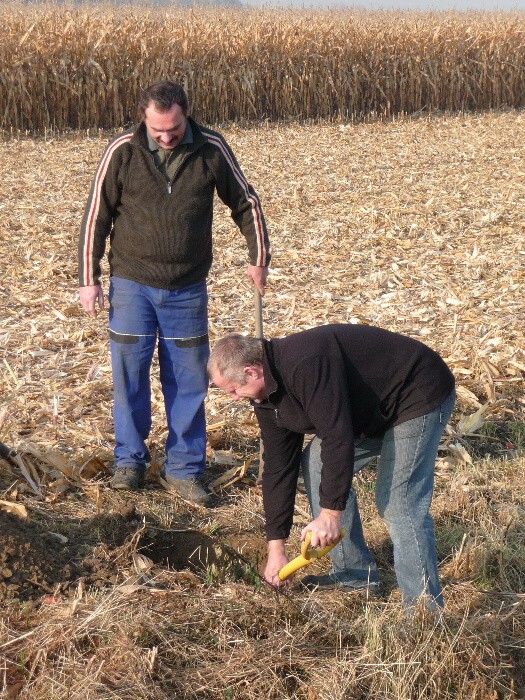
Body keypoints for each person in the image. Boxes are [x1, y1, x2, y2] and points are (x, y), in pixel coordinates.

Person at [78, 80, 270, 504]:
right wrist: (88, 279)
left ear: (187, 114)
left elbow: (245, 203)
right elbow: (97, 215)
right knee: (129, 377)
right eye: (157, 130)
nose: (165, 137)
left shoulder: (211, 149)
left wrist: (258, 257)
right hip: (131, 284)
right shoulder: (123, 151)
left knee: (187, 382)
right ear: (144, 119)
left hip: (186, 289)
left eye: (174, 129)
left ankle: (184, 467)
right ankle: (129, 462)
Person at [208, 324, 455, 608]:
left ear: (252, 371)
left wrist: (330, 514)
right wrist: (275, 547)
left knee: (399, 503)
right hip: (367, 411)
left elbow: (338, 436)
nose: (234, 398)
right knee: (314, 465)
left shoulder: (305, 364)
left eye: (234, 390)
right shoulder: (265, 396)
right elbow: (278, 466)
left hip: (415, 393)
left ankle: (425, 610)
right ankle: (354, 575)